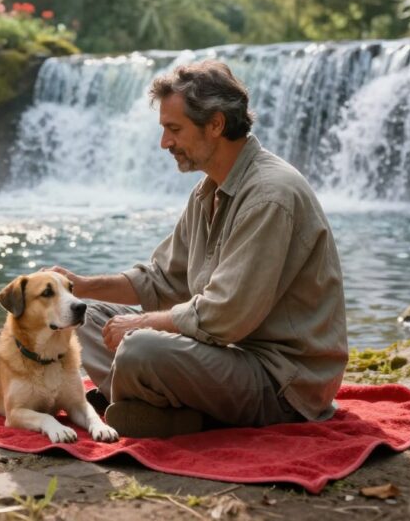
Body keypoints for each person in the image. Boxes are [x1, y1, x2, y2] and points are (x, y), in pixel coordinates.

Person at [48, 60, 348, 438]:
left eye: (174, 129)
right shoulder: (207, 191)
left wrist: (140, 324)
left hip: (282, 382)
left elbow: (225, 315)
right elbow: (161, 279)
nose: (165, 143)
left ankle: (163, 409)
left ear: (216, 124)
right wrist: (82, 286)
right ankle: (157, 406)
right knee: (86, 318)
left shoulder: (270, 196)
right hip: (226, 357)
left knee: (140, 348)